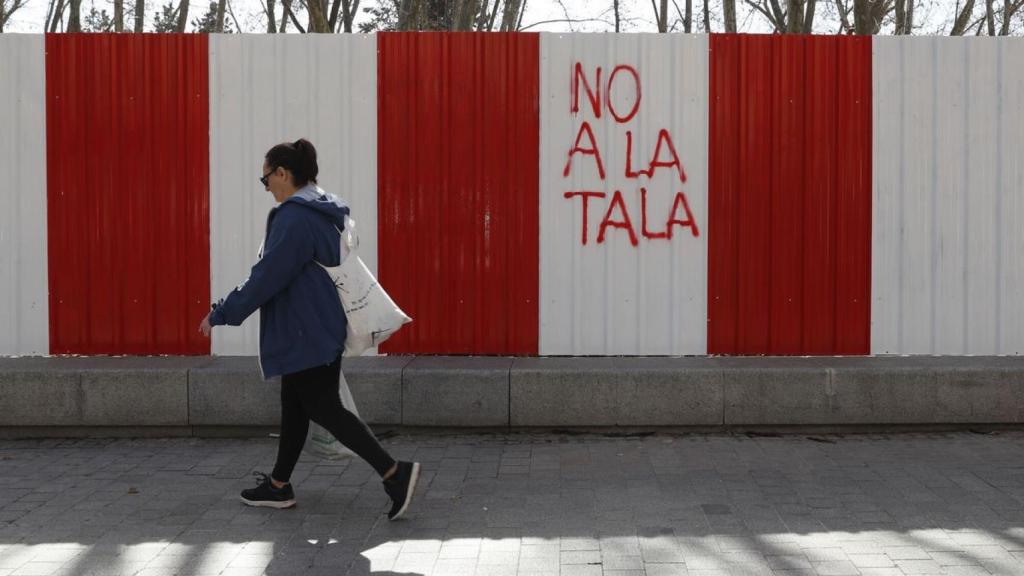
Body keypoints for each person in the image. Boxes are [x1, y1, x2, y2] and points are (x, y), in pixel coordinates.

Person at [198, 138, 420, 521]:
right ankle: (279, 485)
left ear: (283, 174)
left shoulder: (295, 218)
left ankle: (394, 473)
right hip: (315, 327)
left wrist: (222, 312)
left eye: (265, 179)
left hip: (306, 331)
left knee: (325, 408)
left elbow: (267, 277)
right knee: (296, 405)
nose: (266, 187)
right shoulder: (319, 211)